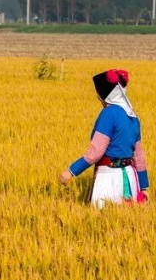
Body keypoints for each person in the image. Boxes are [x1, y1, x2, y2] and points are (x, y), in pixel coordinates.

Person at [59, 69, 149, 208]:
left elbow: (96, 152)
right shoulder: (132, 116)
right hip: (130, 179)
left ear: (104, 95)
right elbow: (139, 156)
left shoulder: (109, 114)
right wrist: (143, 186)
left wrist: (71, 171)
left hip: (109, 179)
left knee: (103, 217)